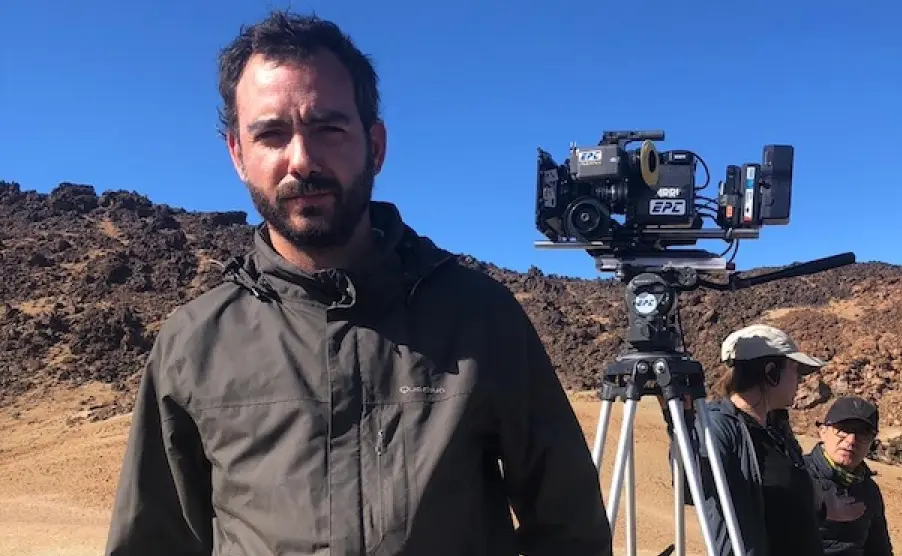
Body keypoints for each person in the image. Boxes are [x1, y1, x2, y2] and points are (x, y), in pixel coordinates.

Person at [103, 9, 612, 556]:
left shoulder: (479, 318)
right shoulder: (193, 344)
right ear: (238, 155)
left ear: (375, 146)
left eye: (328, 129)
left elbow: (569, 530)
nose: (301, 160)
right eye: (271, 134)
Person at [691, 323, 865, 556]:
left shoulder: (777, 427)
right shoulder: (718, 426)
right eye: (795, 370)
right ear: (771, 372)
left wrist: (821, 505)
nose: (800, 381)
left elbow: (782, 496)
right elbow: (692, 486)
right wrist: (677, 423)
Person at [805, 396, 895, 555]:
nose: (851, 440)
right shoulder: (799, 475)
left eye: (863, 434)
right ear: (823, 432)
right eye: (843, 430)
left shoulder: (868, 490)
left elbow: (879, 549)